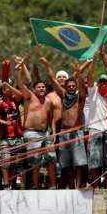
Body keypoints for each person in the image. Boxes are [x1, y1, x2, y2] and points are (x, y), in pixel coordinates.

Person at [40, 57, 89, 188]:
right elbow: (52, 79)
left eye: (73, 86)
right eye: (69, 86)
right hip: (63, 133)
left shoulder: (80, 98)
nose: (71, 87)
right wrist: (47, 65)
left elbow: (83, 88)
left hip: (76, 132)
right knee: (66, 164)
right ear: (66, 87)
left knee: (79, 163)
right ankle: (71, 187)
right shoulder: (63, 95)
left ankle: (78, 186)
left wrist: (78, 73)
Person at [16, 59, 55, 189]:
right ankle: (36, 185)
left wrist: (53, 131)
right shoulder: (29, 96)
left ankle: (53, 185)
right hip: (32, 132)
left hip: (46, 133)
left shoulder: (49, 101)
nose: (41, 89)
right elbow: (21, 83)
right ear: (34, 89)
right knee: (35, 161)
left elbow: (51, 118)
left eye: (43, 87)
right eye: (39, 87)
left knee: (51, 159)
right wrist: (19, 69)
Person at [84, 52, 107, 188]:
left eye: (105, 82)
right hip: (95, 130)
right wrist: (94, 59)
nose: (103, 84)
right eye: (101, 81)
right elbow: (89, 76)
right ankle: (95, 188)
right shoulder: (93, 92)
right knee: (94, 162)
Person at [0, 81, 25, 189]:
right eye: (4, 89)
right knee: (5, 162)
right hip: (5, 138)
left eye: (8, 88)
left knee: (16, 163)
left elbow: (21, 95)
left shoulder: (15, 101)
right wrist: (5, 123)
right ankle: (6, 184)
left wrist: (9, 86)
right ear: (1, 92)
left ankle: (13, 184)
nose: (7, 90)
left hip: (17, 137)